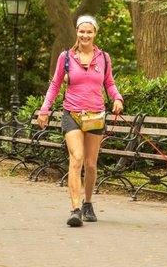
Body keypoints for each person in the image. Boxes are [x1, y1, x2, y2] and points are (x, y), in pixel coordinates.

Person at [37, 15, 123, 227]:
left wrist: (117, 98)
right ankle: (75, 209)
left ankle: (88, 203)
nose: (85, 35)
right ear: (77, 32)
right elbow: (55, 84)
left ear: (95, 33)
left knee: (91, 164)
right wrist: (45, 109)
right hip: (72, 114)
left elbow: (109, 83)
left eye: (89, 32)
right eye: (81, 31)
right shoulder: (66, 57)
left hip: (95, 115)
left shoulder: (103, 58)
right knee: (76, 157)